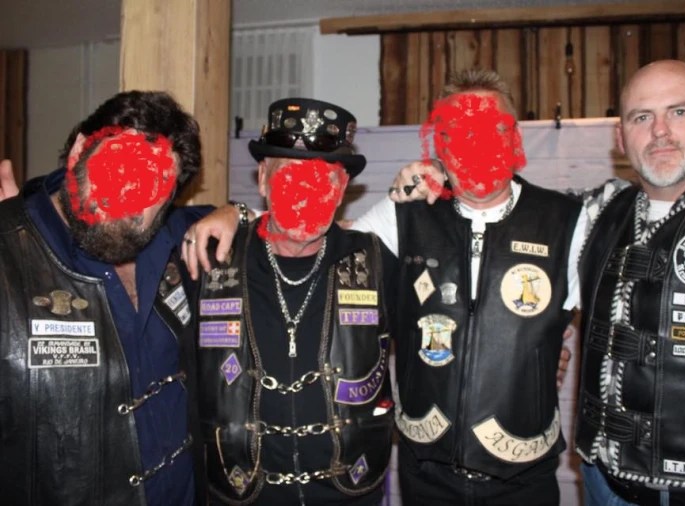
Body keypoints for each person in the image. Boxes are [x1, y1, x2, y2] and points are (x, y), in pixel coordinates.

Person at [183, 70, 580, 505]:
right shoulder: (396, 220)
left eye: (491, 130)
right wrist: (235, 213)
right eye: (460, 132)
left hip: (517, 477)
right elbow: (304, 227)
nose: (305, 190)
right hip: (422, 477)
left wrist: (540, 356)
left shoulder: (568, 222)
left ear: (514, 137)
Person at [0, 91, 211, 505]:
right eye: (119, 167)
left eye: (154, 182)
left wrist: (237, 213)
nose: (128, 200)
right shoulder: (10, 252)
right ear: (79, 149)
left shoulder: (170, 238)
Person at [191, 98, 397, 505]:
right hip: (241, 495)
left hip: (350, 494)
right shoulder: (211, 259)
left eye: (322, 178)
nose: (305, 191)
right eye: (289, 174)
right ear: (263, 179)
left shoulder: (374, 260)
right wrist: (231, 211)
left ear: (341, 190)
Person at [572, 59, 685, 506]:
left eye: (679, 111)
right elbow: (514, 208)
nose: (660, 131)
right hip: (599, 481)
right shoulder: (600, 210)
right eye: (642, 117)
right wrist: (437, 179)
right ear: (621, 138)